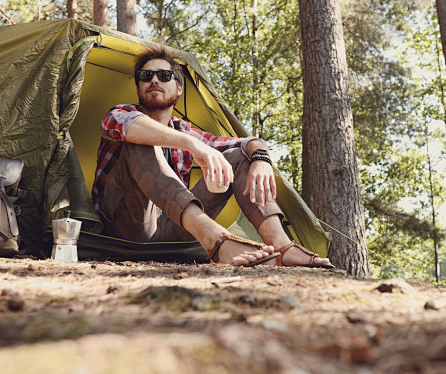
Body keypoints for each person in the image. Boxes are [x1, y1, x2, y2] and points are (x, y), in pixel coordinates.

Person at [92, 46, 333, 268]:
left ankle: (282, 246)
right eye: (146, 76)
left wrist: (260, 157)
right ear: (138, 88)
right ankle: (216, 241)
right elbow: (127, 125)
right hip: (124, 226)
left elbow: (245, 143)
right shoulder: (121, 114)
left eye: (164, 76)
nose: (154, 80)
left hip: (170, 230)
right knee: (140, 140)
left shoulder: (185, 130)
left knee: (238, 156)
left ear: (179, 88)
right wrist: (192, 145)